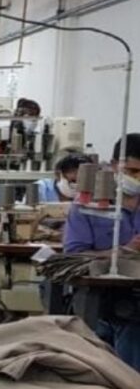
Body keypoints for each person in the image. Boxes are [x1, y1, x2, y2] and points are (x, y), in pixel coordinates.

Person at [64, 133, 140, 371]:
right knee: (132, 327)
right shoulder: (86, 208)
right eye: (132, 171)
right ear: (114, 165)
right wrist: (123, 251)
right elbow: (74, 255)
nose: (136, 178)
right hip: (107, 297)